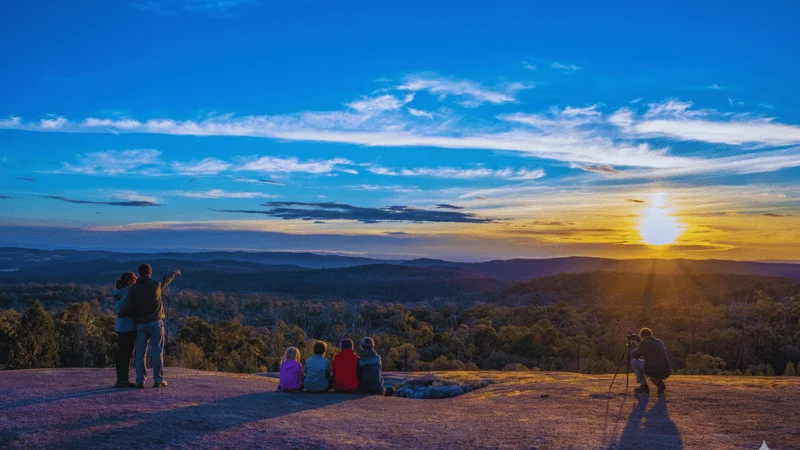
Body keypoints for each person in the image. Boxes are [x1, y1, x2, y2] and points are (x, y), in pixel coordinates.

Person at [128, 264, 180, 389]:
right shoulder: (156, 284)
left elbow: (130, 306)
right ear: (150, 272)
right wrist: (175, 273)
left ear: (139, 273)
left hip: (140, 323)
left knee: (140, 352)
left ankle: (140, 380)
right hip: (155, 322)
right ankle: (158, 379)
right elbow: (166, 278)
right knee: (157, 351)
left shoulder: (133, 289)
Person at [113, 272, 138, 388]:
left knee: (121, 353)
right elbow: (129, 308)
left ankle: (120, 379)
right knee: (127, 354)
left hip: (120, 326)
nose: (135, 282)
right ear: (130, 281)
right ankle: (124, 380)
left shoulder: (118, 292)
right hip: (128, 325)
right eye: (134, 280)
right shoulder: (129, 292)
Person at [630, 327, 672, 394]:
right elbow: (649, 350)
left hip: (653, 371)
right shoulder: (660, 342)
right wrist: (639, 343)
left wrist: (632, 347)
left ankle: (644, 385)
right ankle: (659, 383)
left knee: (634, 362)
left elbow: (635, 355)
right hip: (666, 371)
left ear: (642, 336)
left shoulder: (644, 343)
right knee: (652, 365)